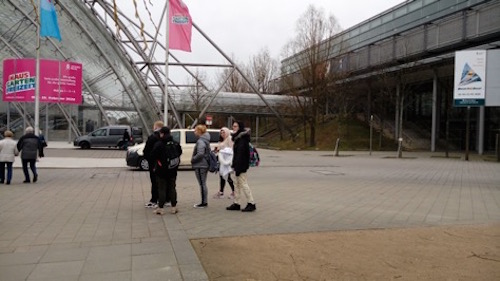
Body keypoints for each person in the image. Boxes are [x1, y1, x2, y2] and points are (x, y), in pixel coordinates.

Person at [226, 121, 257, 212]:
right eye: (233, 126)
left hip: (241, 166)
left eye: (235, 126)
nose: (233, 128)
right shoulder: (238, 138)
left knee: (243, 184)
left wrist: (239, 167)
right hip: (237, 165)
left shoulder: (242, 140)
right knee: (236, 185)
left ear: (240, 127)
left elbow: (242, 155)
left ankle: (251, 203)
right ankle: (237, 203)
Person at [151, 127, 182, 215]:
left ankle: (160, 208)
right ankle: (174, 207)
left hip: (161, 170)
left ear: (162, 134)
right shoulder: (175, 143)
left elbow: (153, 155)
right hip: (173, 169)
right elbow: (179, 152)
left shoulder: (159, 144)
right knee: (172, 188)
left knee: (162, 189)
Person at [143, 120, 163, 208]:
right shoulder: (165, 137)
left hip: (154, 163)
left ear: (155, 127)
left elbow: (146, 151)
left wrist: (149, 159)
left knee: (154, 181)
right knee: (163, 182)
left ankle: (154, 200)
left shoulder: (152, 137)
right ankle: (165, 199)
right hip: (163, 163)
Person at [191, 124, 210, 208]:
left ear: (199, 131)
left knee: (202, 184)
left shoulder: (200, 141)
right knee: (203, 183)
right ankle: (204, 201)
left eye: (195, 130)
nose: (194, 132)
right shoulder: (205, 140)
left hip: (200, 165)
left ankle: (203, 202)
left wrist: (193, 159)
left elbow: (200, 153)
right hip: (204, 164)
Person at [213, 127, 235, 199]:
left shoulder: (229, 138)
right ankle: (221, 191)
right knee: (222, 176)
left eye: (224, 132)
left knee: (227, 176)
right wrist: (217, 150)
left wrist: (222, 150)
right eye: (221, 133)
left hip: (227, 161)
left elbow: (231, 149)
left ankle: (234, 191)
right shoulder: (221, 140)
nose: (222, 134)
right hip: (221, 160)